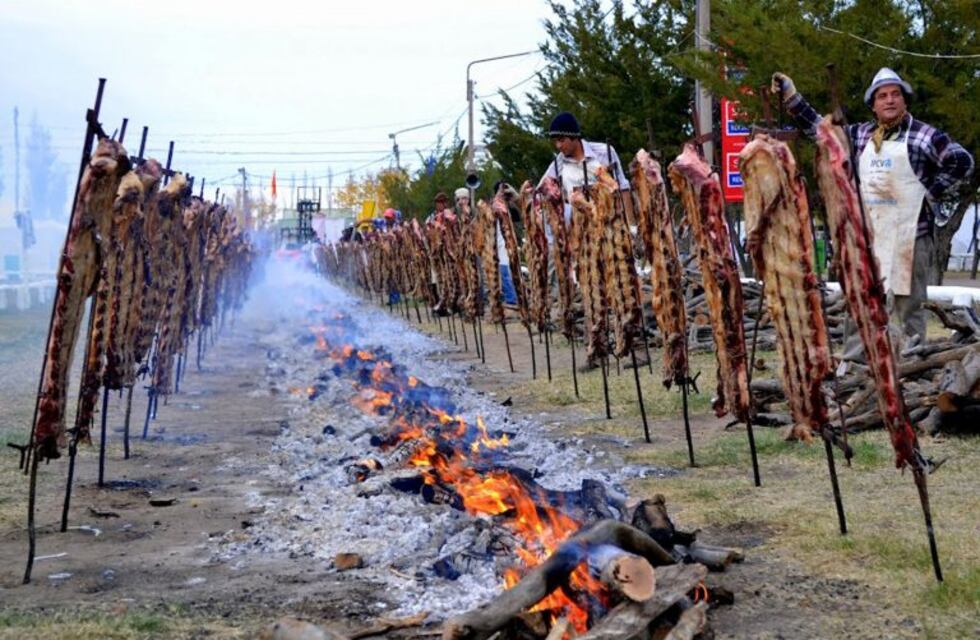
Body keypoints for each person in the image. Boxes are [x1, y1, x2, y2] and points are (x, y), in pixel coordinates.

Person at [772, 67, 974, 344]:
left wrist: (932, 191)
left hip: (911, 238)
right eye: (882, 96)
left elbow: (962, 161)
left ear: (904, 100)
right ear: (874, 105)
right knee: (860, 302)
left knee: (908, 309)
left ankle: (909, 368)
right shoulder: (859, 136)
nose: (889, 100)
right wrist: (793, 99)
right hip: (868, 237)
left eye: (895, 95)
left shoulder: (924, 136)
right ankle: (857, 368)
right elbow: (821, 132)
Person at [538, 111, 633, 221]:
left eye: (562, 140)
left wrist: (631, 225)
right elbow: (540, 194)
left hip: (613, 221)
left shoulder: (604, 152)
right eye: (555, 141)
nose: (558, 146)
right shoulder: (557, 164)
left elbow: (623, 187)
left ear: (574, 136)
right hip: (581, 228)